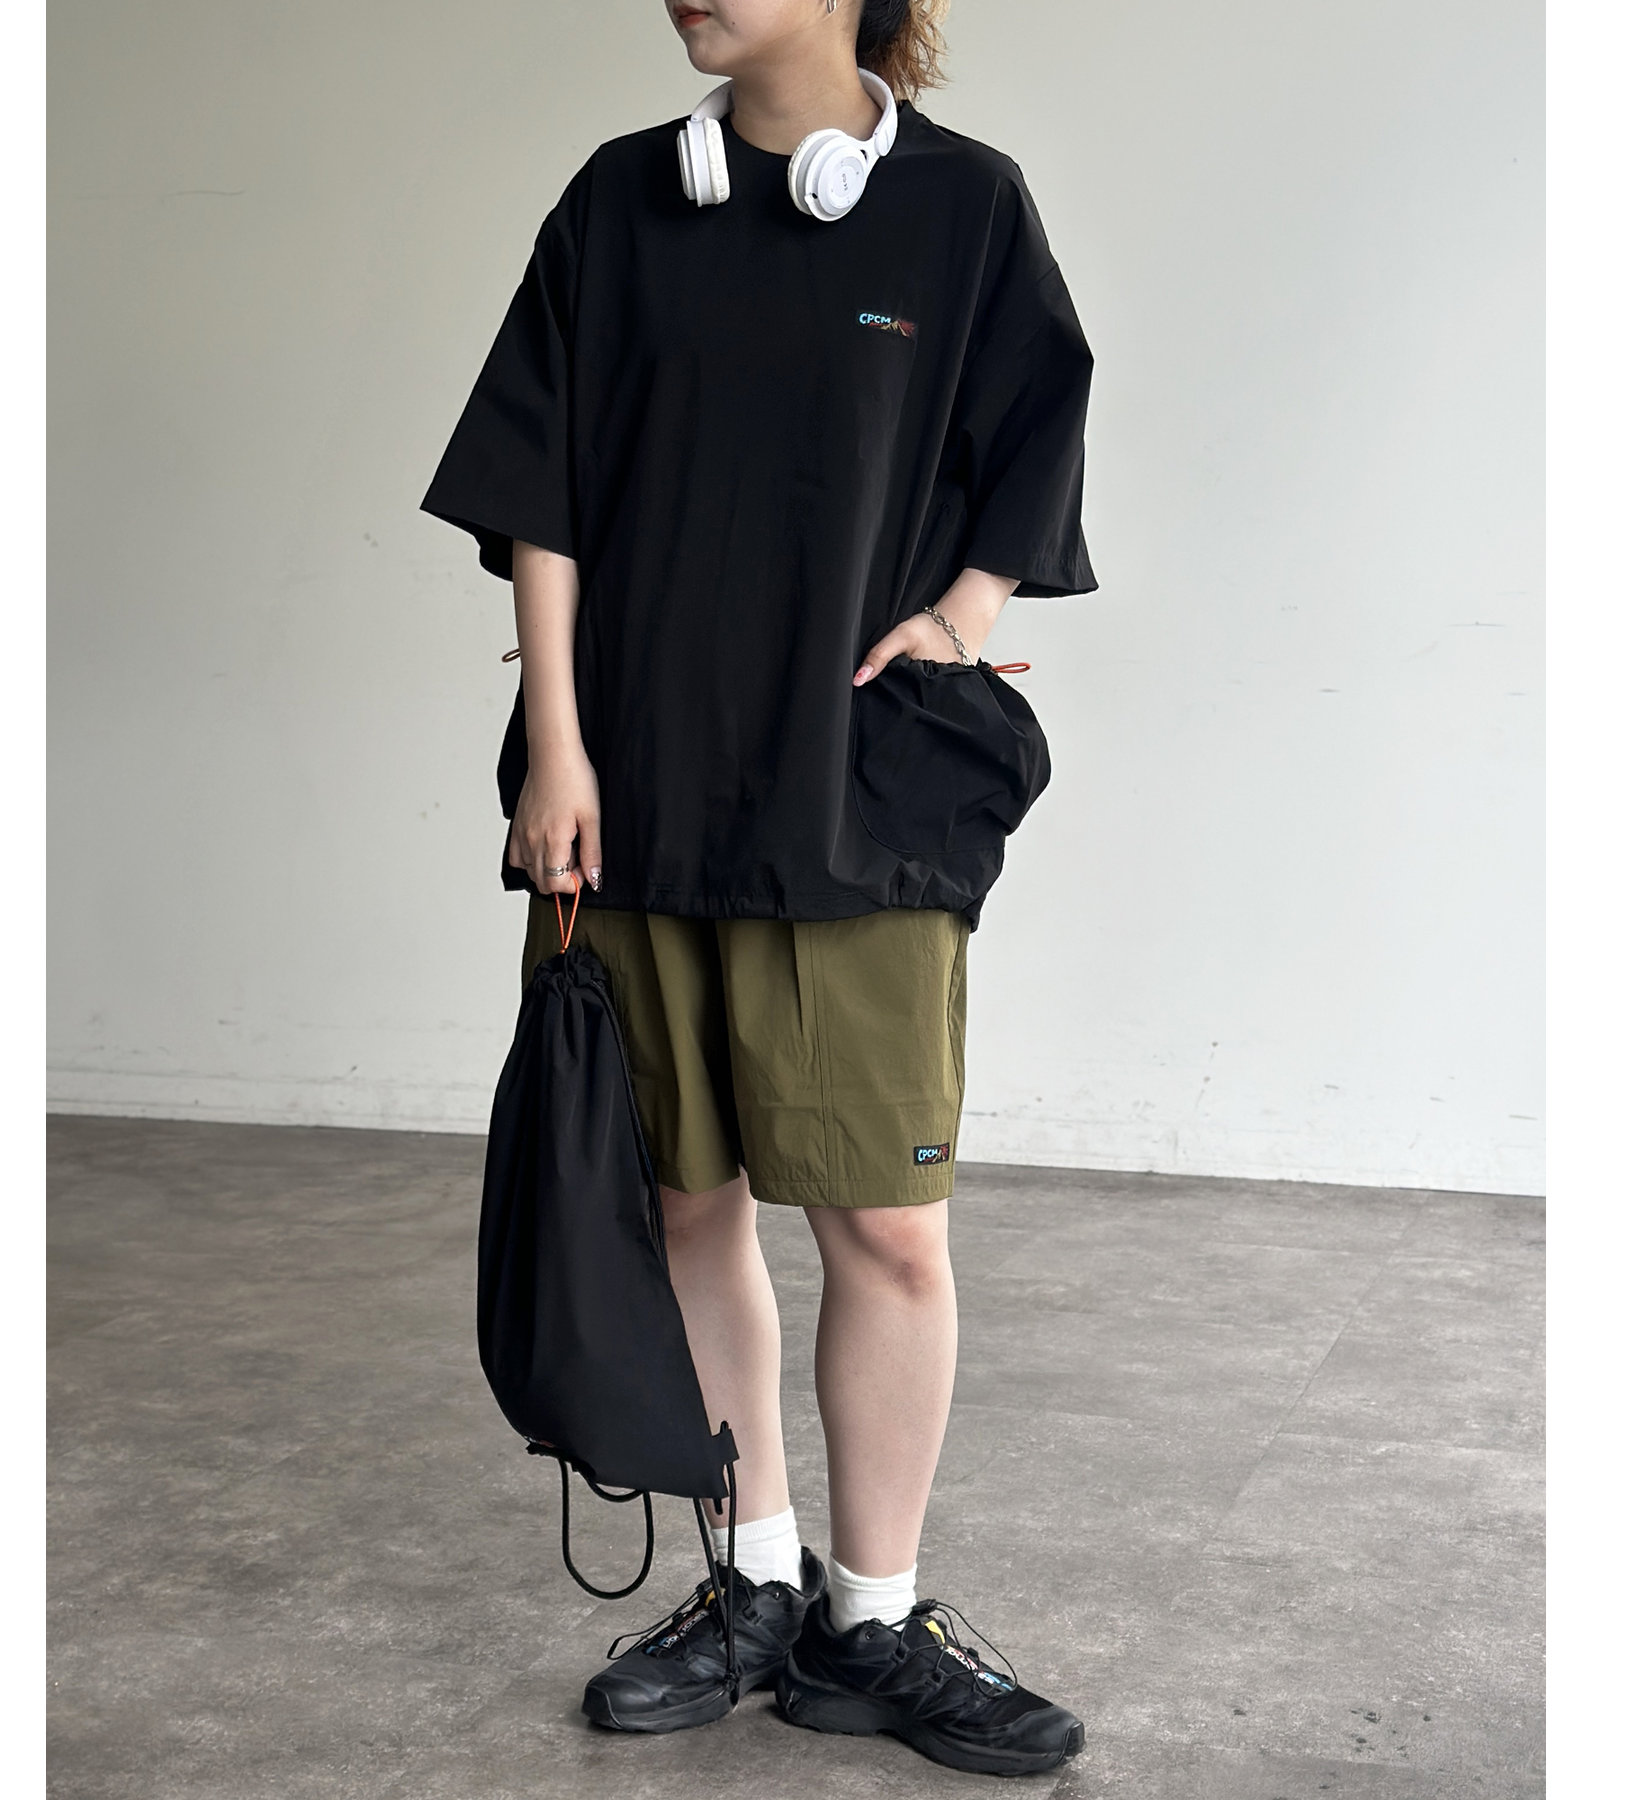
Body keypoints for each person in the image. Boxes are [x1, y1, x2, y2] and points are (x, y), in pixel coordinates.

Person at [422, 0, 1096, 1776]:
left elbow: (1035, 434)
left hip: (855, 803)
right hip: (636, 793)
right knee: (681, 1204)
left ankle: (873, 1618)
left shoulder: (965, 209)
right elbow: (544, 492)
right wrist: (556, 746)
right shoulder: (618, 203)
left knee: (886, 1227)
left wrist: (960, 618)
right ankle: (752, 1581)